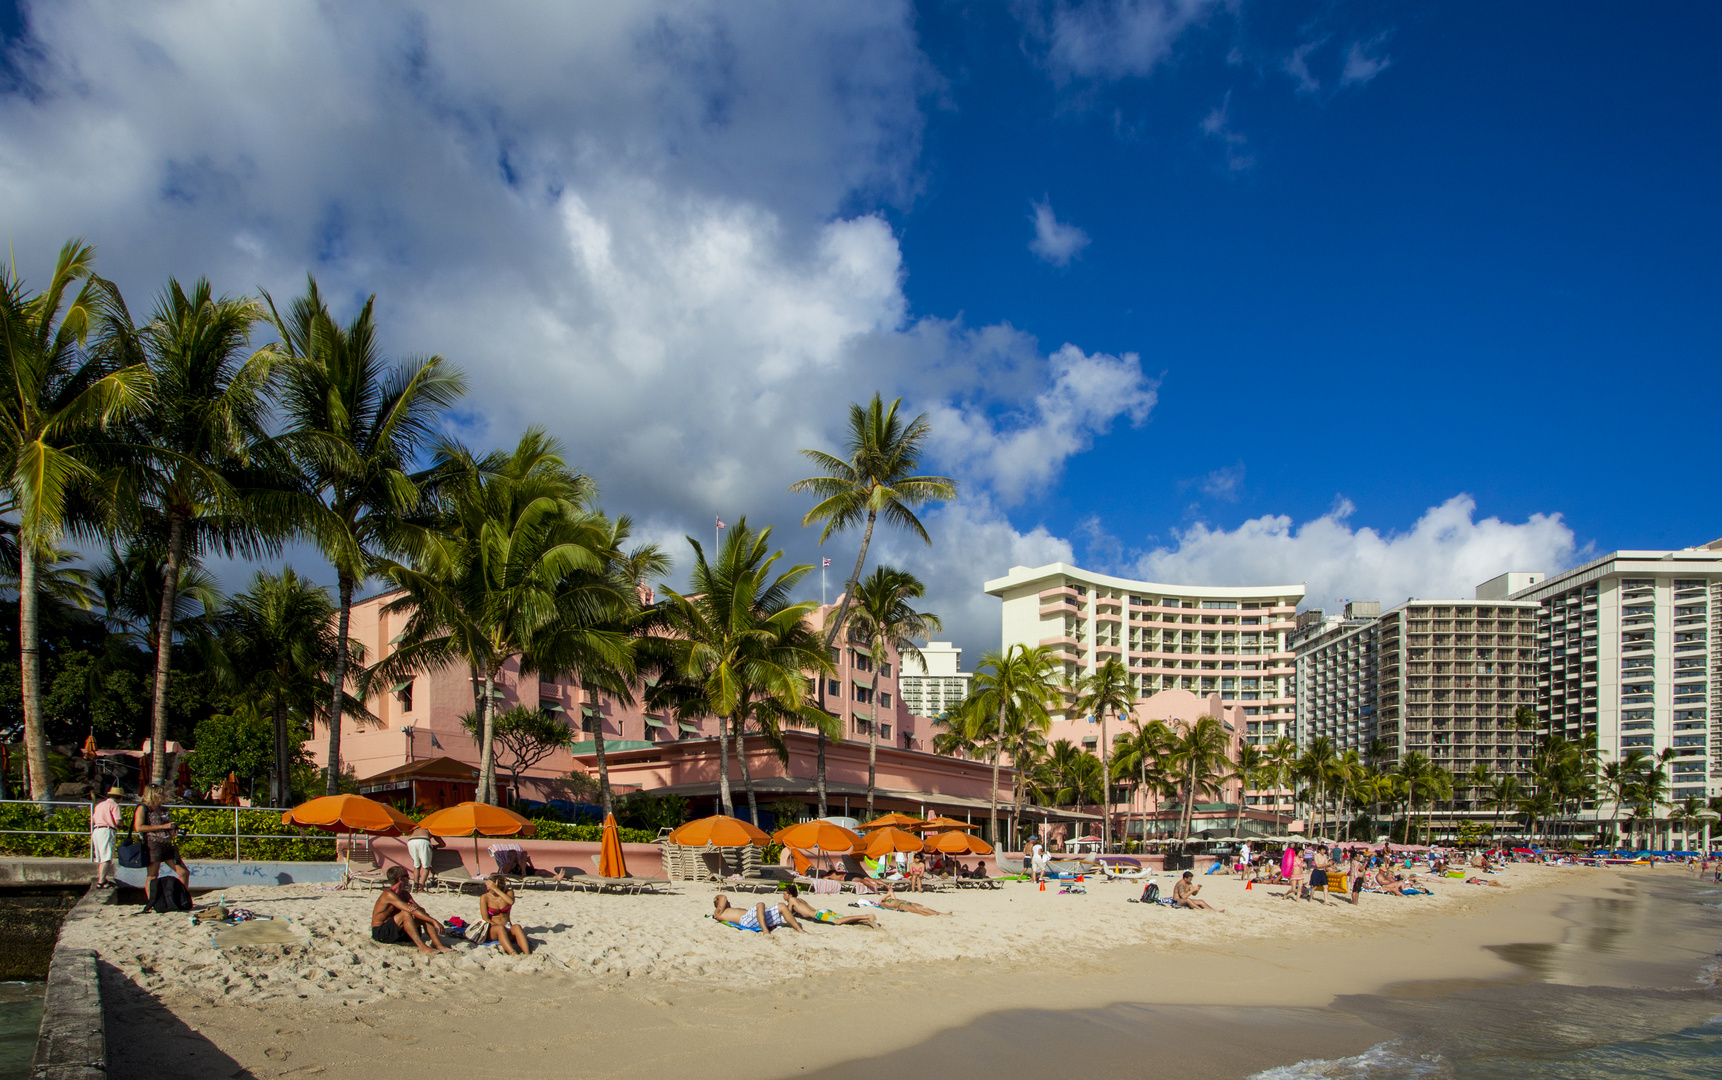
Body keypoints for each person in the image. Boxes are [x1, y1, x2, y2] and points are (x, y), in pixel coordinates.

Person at [372, 867, 452, 952]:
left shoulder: (405, 894)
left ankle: (439, 946)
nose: (409, 878)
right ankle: (422, 947)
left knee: (424, 917)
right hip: (381, 933)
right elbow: (409, 910)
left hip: (398, 932)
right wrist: (433, 921)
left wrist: (418, 910)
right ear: (400, 879)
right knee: (405, 914)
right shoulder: (389, 895)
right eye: (407, 876)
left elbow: (420, 910)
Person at [133, 784, 189, 904]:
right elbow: (139, 827)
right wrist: (163, 826)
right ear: (153, 794)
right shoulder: (144, 808)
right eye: (161, 793)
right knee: (153, 875)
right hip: (153, 843)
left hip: (168, 843)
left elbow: (167, 826)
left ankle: (182, 899)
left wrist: (175, 830)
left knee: (183, 872)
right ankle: (152, 902)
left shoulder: (163, 809)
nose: (164, 795)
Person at [479, 874, 532, 954]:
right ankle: (513, 953)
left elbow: (510, 902)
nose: (488, 888)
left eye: (490, 886)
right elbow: (485, 918)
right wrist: (495, 925)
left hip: (507, 927)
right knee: (500, 928)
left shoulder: (509, 893)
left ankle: (527, 954)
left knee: (517, 927)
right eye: (487, 885)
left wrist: (496, 889)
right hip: (493, 929)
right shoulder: (485, 897)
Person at [781, 883, 877, 927]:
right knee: (845, 919)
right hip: (821, 910)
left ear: (790, 895)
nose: (783, 896)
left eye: (784, 894)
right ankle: (867, 920)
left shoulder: (792, 900)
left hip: (819, 914)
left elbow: (788, 914)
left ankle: (866, 916)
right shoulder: (799, 899)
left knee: (839, 922)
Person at [712, 892, 803, 933]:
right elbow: (723, 897)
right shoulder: (719, 913)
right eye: (727, 903)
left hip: (756, 919)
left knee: (782, 906)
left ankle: (800, 930)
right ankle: (765, 931)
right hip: (745, 921)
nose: (728, 902)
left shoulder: (730, 910)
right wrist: (716, 897)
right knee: (760, 904)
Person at [90, 787, 123, 889]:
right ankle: (101, 881)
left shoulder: (100, 805)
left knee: (101, 857)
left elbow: (93, 819)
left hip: (96, 831)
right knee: (107, 857)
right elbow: (117, 821)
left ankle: (102, 878)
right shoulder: (114, 806)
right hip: (107, 830)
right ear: (119, 797)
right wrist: (122, 825)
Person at [404, 825, 445, 889]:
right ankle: (421, 886)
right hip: (424, 840)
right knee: (426, 866)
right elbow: (443, 844)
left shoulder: (416, 828)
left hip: (411, 841)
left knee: (416, 865)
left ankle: (416, 885)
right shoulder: (431, 829)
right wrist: (434, 846)